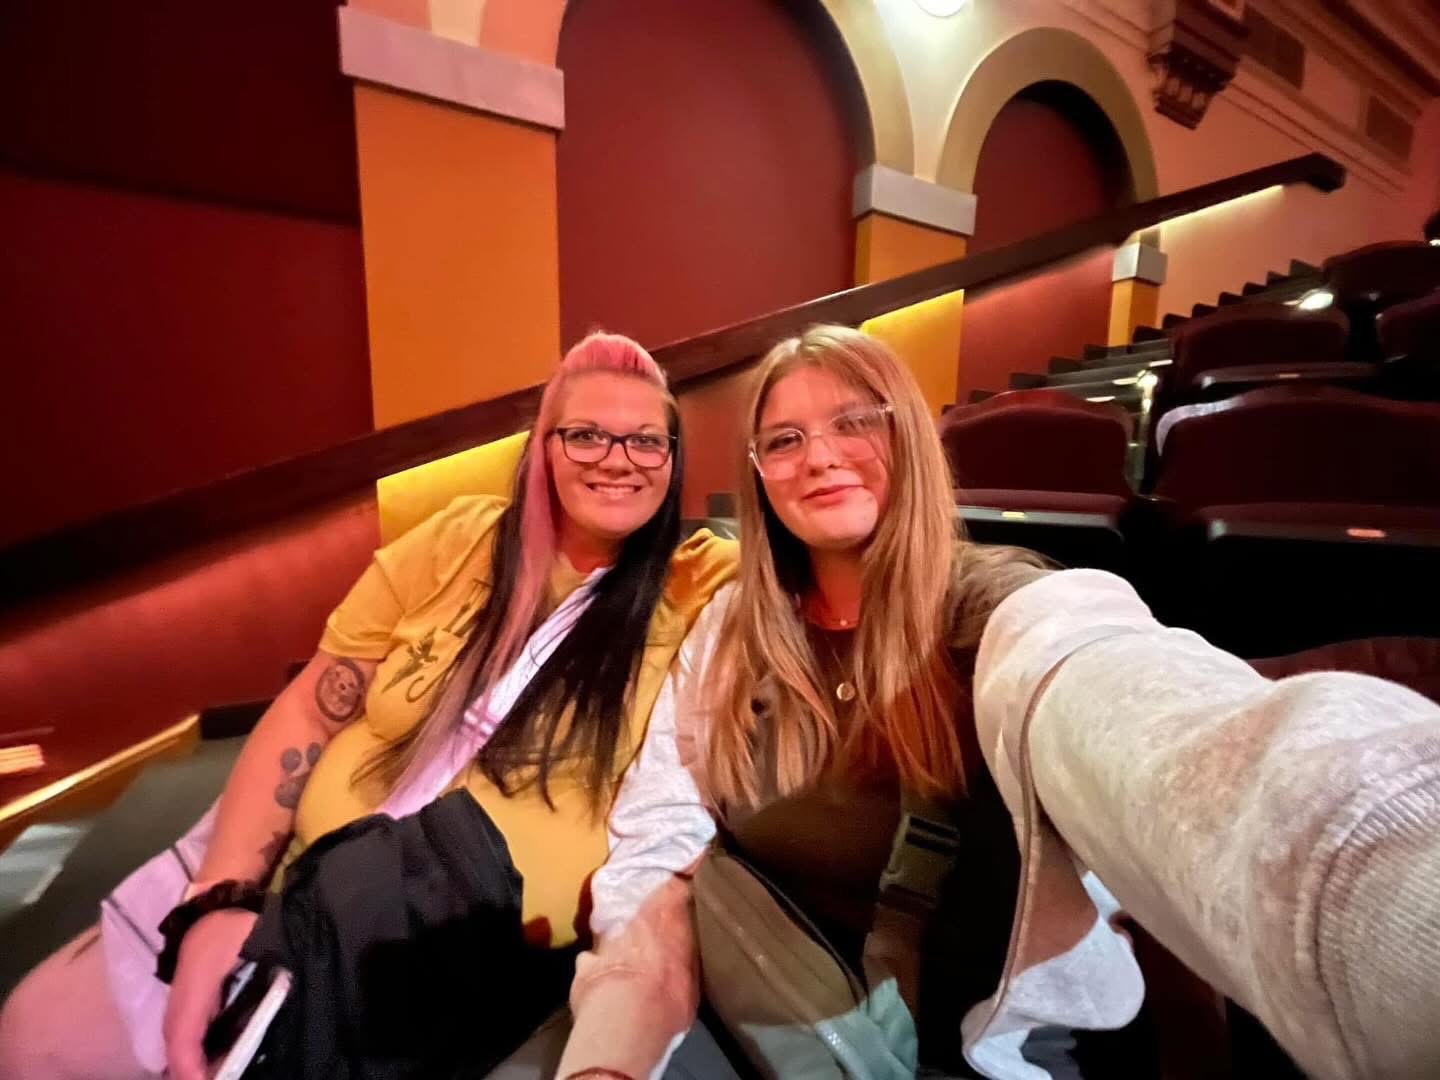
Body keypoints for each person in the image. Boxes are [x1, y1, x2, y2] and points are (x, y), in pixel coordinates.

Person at [0, 332, 737, 1079]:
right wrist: (223, 895)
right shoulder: (461, 539)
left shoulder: (699, 585)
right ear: (543, 449)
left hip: (432, 953)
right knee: (35, 1038)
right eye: (586, 435)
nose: (618, 459)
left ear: (673, 460)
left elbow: (803, 587)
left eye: (647, 440)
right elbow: (312, 710)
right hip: (284, 868)